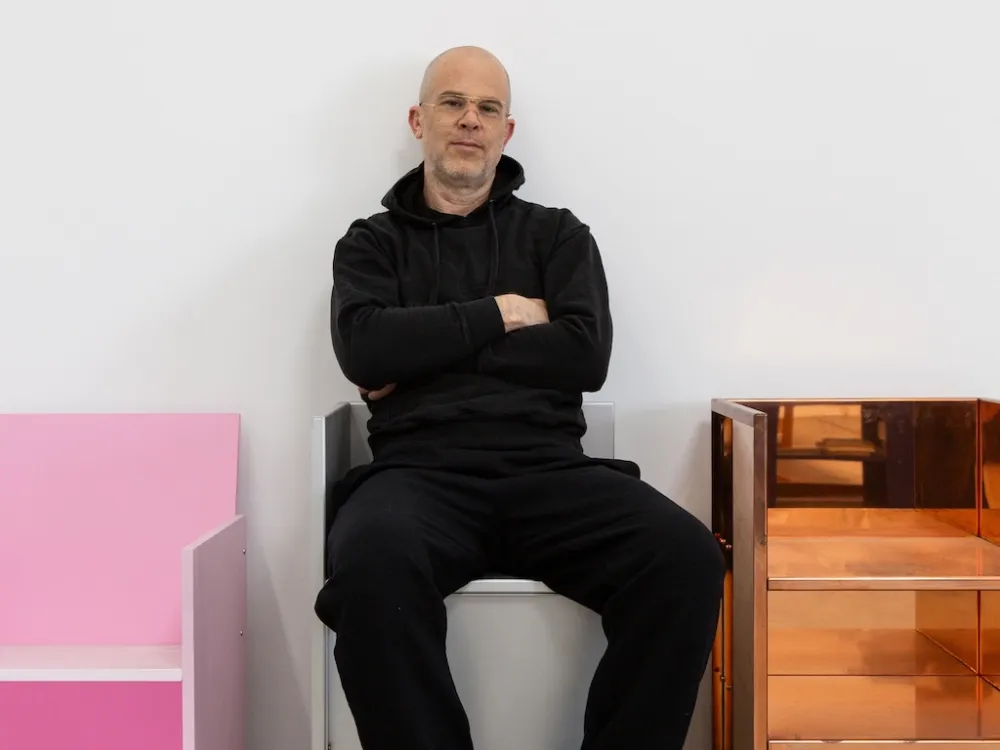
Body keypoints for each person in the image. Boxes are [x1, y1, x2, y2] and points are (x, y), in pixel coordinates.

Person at [314, 45, 725, 750]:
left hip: (550, 471)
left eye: (488, 108)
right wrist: (506, 311)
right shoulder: (371, 244)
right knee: (369, 567)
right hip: (419, 476)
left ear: (507, 131)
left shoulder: (557, 235)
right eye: (452, 103)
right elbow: (364, 350)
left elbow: (585, 355)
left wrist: (423, 349)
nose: (469, 120)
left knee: (685, 557)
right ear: (418, 119)